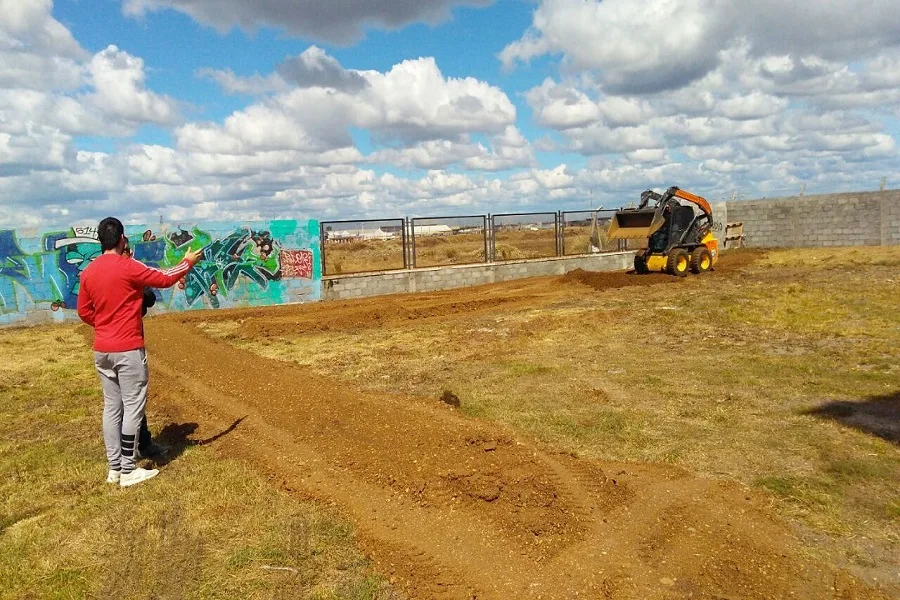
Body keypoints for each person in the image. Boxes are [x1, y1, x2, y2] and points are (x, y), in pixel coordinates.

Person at [78, 217, 202, 487]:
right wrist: (188, 261)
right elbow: (165, 278)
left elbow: (84, 311)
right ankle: (128, 468)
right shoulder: (128, 266)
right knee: (133, 407)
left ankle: (114, 469)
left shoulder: (88, 272)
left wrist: (105, 325)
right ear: (122, 239)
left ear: (101, 241)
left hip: (102, 349)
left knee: (112, 407)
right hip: (128, 349)